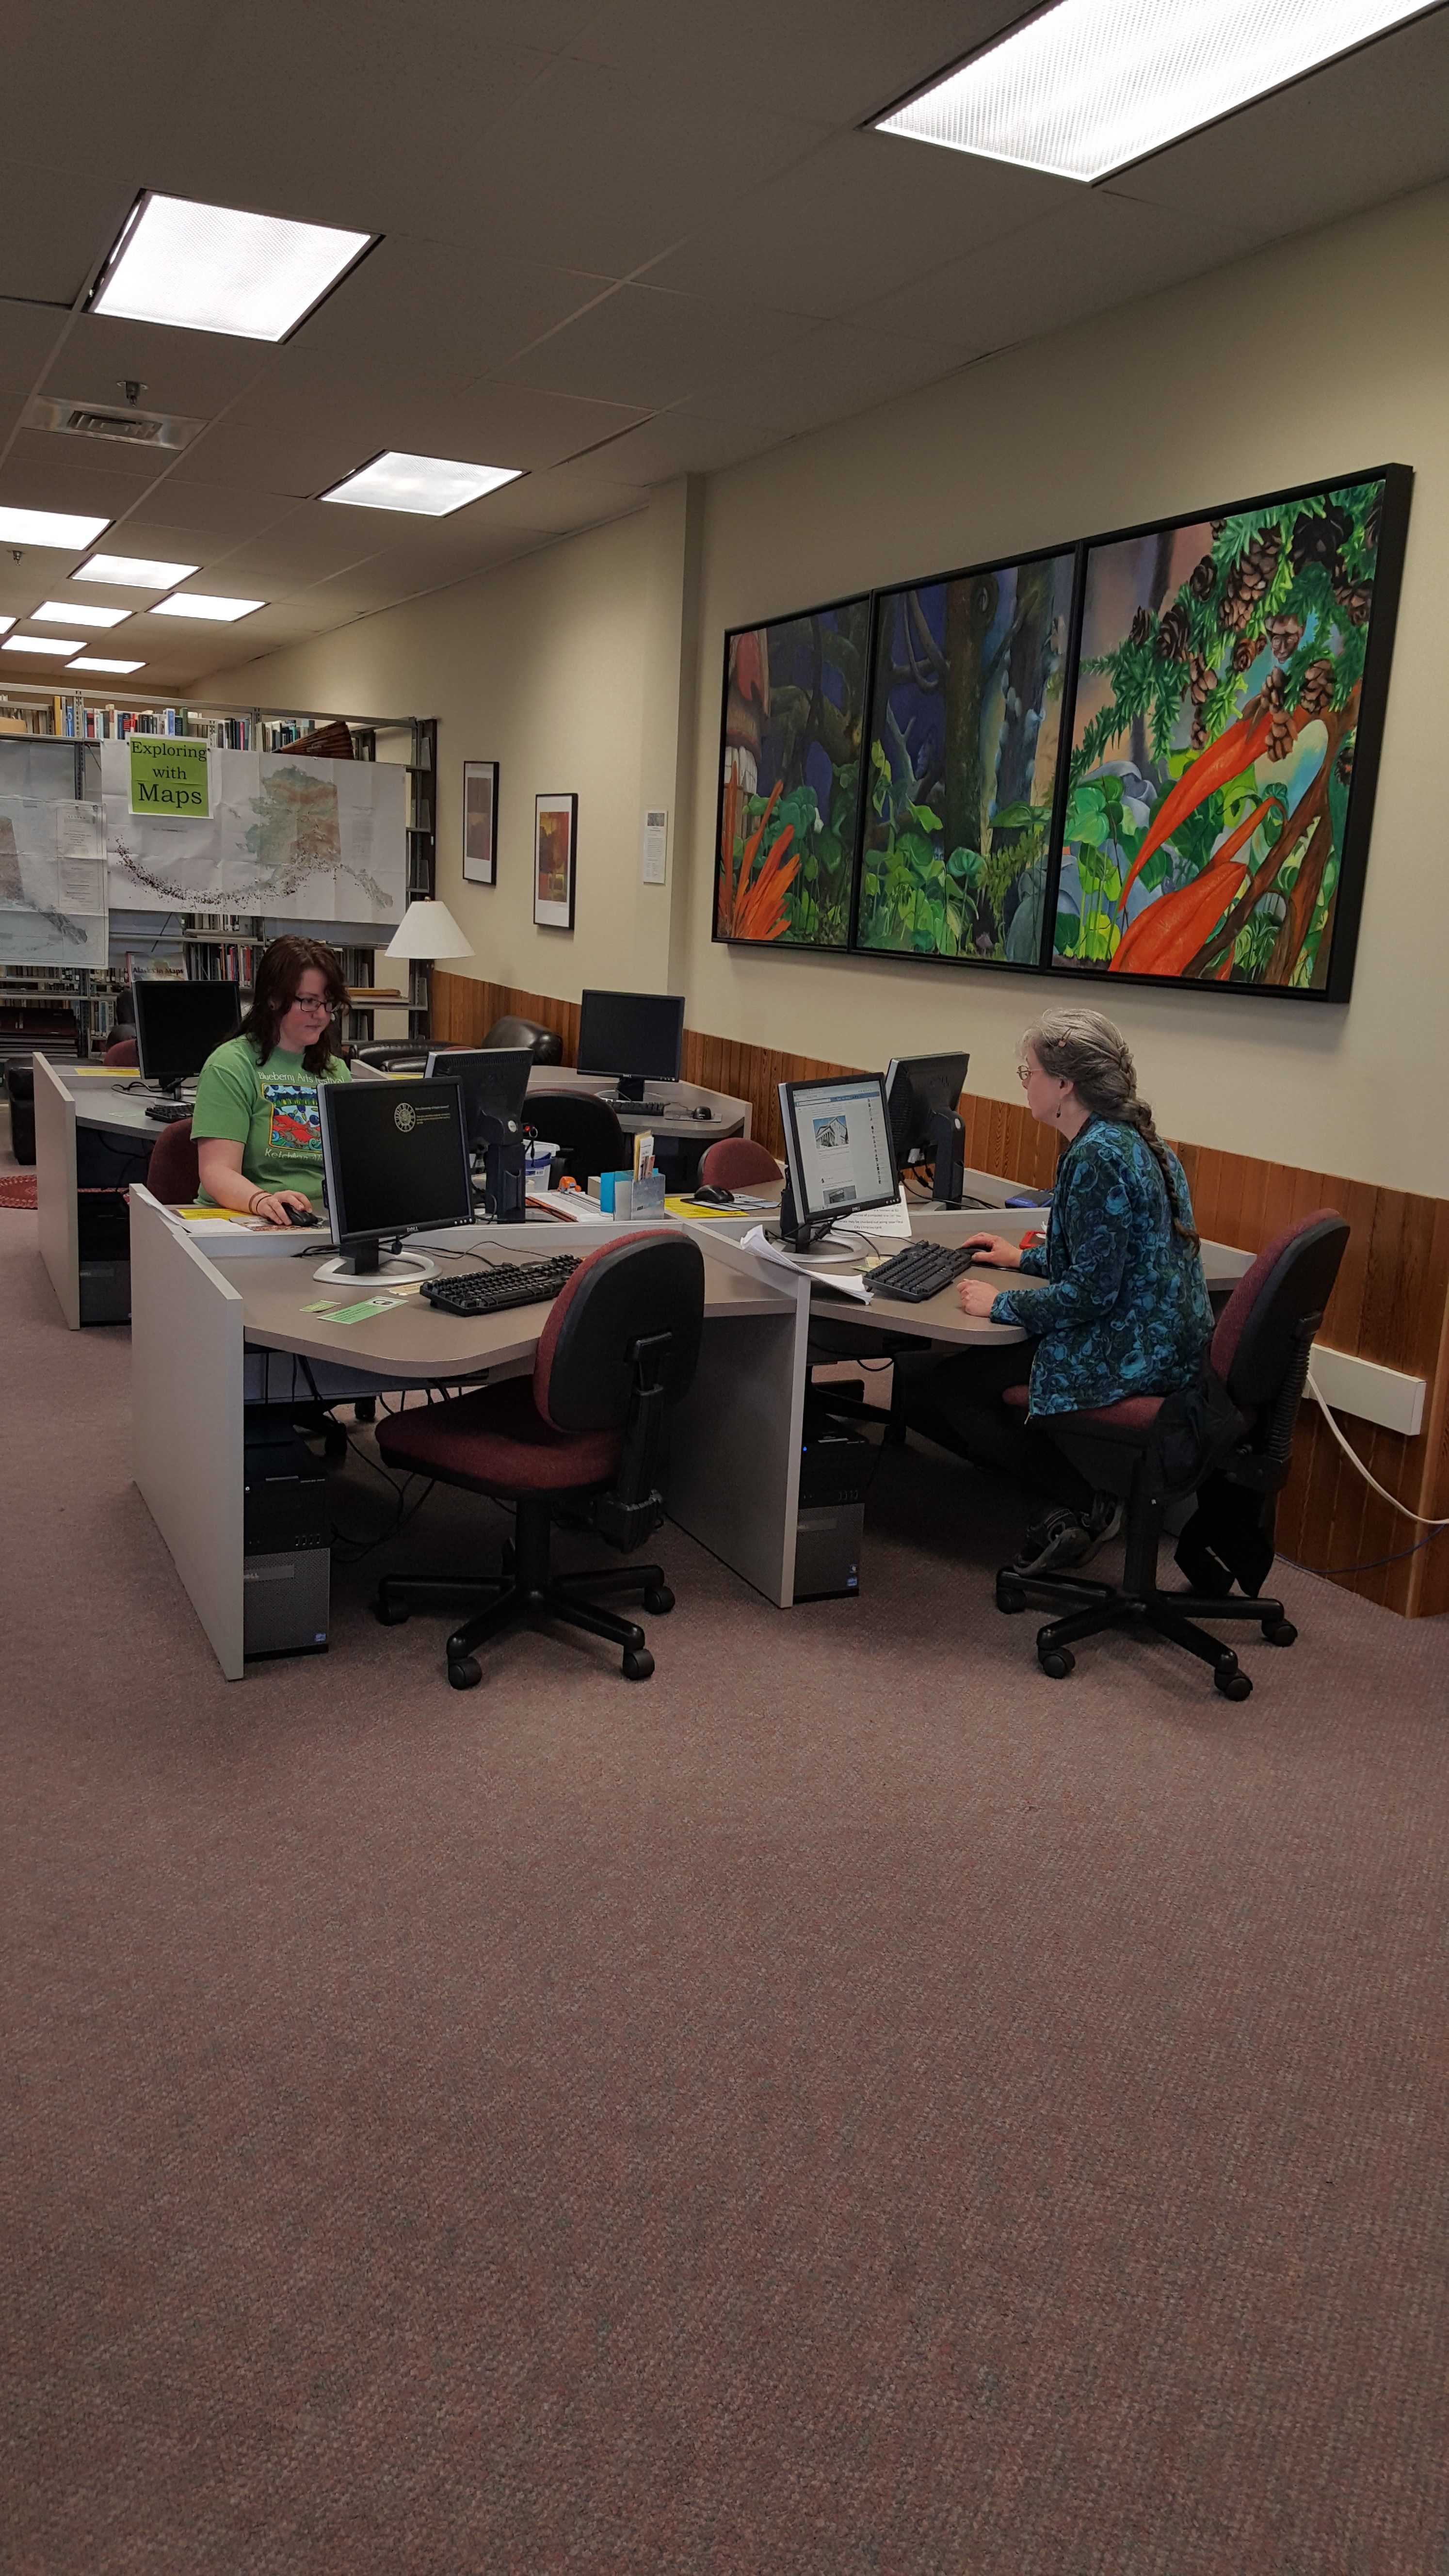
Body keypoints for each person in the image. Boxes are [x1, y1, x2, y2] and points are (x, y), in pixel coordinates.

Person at [918, 1007, 1213, 1576]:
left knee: (953, 1386)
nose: (1024, 1082)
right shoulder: (1137, 1142)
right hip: (1169, 1342)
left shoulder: (1095, 1157)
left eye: (1028, 1072)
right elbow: (1102, 1259)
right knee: (965, 1373)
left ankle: (1084, 1503)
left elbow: (1089, 1296)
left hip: (1130, 1350)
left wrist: (999, 1300)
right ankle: (1053, 1511)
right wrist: (1021, 1259)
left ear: (1064, 1084)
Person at [191, 936, 352, 1224]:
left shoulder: (335, 1071)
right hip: (244, 1214)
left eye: (329, 1004)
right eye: (309, 1002)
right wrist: (263, 1202)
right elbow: (216, 1170)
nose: (321, 1015)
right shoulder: (230, 1066)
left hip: (319, 1219)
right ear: (274, 999)